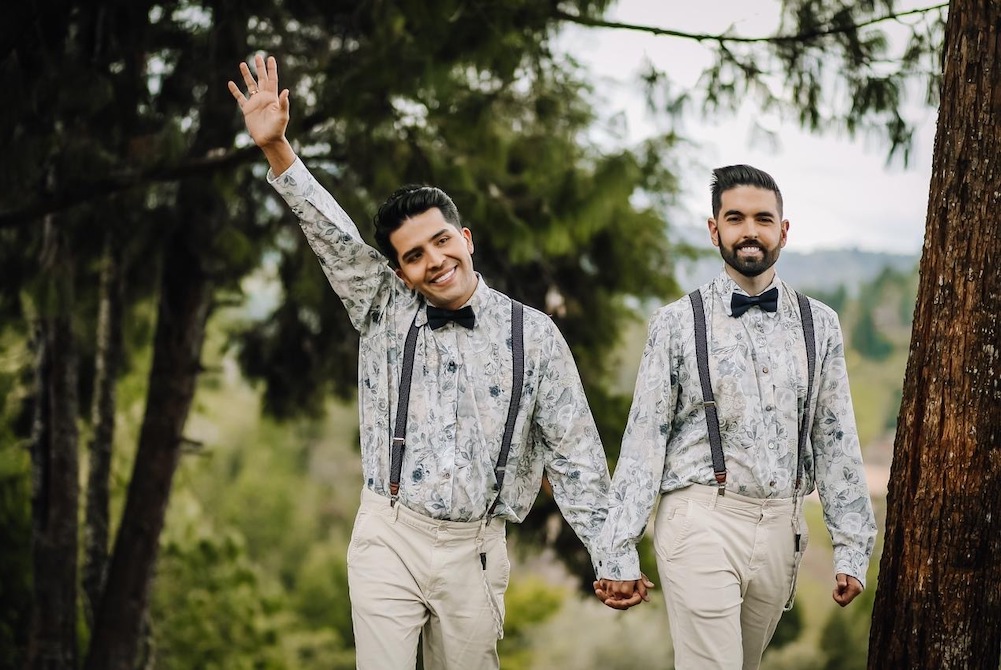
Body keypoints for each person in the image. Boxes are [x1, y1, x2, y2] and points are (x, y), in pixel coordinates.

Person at [228, 54, 614, 670]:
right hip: (389, 532)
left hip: (477, 548)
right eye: (413, 256)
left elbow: (575, 456)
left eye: (441, 241)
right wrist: (277, 149)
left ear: (466, 239)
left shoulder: (533, 335)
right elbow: (331, 234)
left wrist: (612, 555)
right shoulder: (382, 307)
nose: (433, 261)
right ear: (401, 270)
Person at [593, 164, 878, 669]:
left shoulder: (821, 325)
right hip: (700, 517)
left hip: (782, 528)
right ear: (714, 229)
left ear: (783, 231)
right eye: (736, 218)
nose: (750, 231)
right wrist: (617, 550)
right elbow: (644, 442)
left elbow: (835, 439)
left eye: (763, 219)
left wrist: (852, 545)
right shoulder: (677, 323)